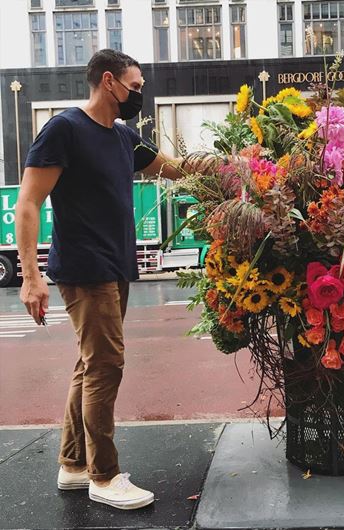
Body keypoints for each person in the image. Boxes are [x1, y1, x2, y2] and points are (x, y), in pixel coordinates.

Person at [15, 49, 190, 510]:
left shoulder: (123, 136)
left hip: (116, 265)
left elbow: (173, 168)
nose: (139, 94)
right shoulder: (65, 129)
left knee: (90, 365)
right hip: (84, 267)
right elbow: (29, 203)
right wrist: (30, 275)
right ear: (108, 81)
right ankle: (105, 476)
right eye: (135, 87)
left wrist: (229, 168)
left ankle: (74, 466)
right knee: (106, 366)